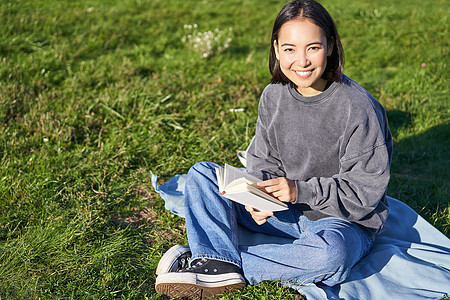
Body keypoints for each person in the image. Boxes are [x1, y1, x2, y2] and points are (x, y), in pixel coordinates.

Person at [155, 0, 393, 298]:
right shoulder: (273, 95)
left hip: (341, 223)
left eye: (313, 48)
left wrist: (299, 191)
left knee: (331, 256)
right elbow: (263, 158)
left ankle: (208, 263)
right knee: (202, 175)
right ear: (277, 49)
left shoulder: (358, 107)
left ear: (330, 46)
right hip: (283, 211)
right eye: (290, 49)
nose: (302, 61)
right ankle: (215, 263)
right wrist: (258, 198)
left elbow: (365, 192)